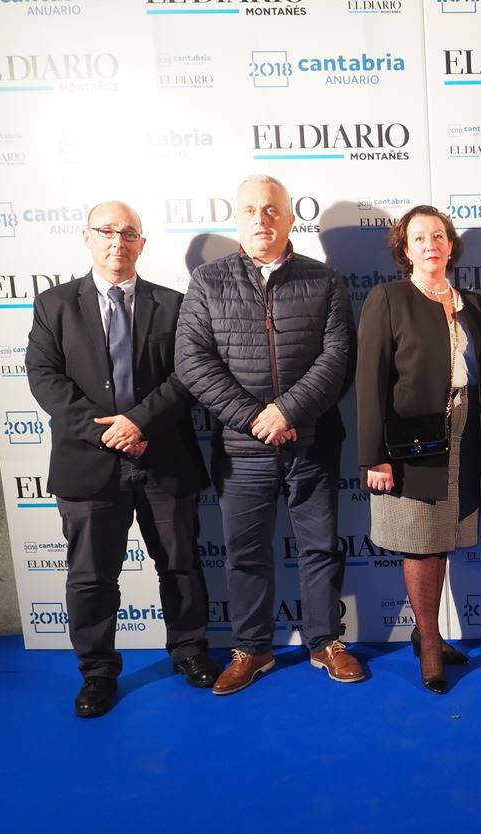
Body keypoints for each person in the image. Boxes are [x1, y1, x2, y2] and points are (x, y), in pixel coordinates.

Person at [26, 201, 214, 717]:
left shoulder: (174, 305)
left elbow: (188, 375)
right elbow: (44, 378)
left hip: (164, 459)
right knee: (90, 578)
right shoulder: (54, 305)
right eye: (106, 231)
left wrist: (139, 423)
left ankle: (190, 650)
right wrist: (107, 433)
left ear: (142, 244)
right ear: (86, 237)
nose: (117, 241)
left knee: (179, 565)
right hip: (88, 465)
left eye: (128, 232)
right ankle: (97, 672)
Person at [175, 174, 360, 694]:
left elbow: (337, 360)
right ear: (237, 220)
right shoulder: (209, 282)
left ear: (290, 217)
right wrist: (255, 418)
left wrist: (287, 412)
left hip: (313, 441)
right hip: (241, 448)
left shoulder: (324, 281)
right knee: (246, 552)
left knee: (321, 547)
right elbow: (192, 362)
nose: (262, 219)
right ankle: (253, 648)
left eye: (272, 210)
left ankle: (325, 641)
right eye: (252, 210)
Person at [355, 205, 481, 694]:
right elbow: (370, 381)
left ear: (451, 245)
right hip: (409, 444)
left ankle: (434, 636)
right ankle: (427, 643)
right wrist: (374, 455)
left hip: (468, 434)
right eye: (419, 237)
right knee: (421, 543)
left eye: (439, 236)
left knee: (446, 538)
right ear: (405, 248)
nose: (431, 245)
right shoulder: (388, 299)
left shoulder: (476, 305)